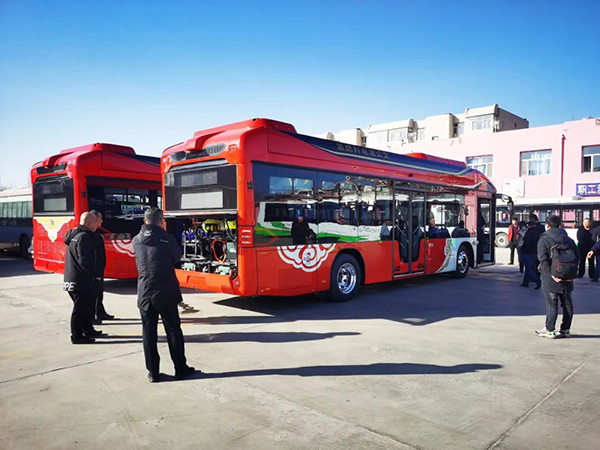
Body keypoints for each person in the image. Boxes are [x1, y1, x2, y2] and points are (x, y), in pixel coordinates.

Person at [133, 207, 196, 383]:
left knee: (148, 333)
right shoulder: (166, 239)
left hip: (145, 292)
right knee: (174, 331)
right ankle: (180, 368)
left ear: (145, 221)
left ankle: (153, 372)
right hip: (165, 291)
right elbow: (177, 256)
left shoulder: (136, 239)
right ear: (161, 221)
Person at [536, 215, 578, 338]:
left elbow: (543, 260)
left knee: (551, 304)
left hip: (551, 277)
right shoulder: (569, 239)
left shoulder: (544, 239)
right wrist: (571, 272)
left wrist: (550, 275)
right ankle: (565, 329)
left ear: (547, 226)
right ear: (560, 225)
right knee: (567, 303)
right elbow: (577, 256)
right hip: (567, 276)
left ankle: (549, 329)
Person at [64, 212, 102, 344]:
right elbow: (86, 261)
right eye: (95, 222)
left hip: (73, 277)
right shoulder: (84, 237)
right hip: (81, 280)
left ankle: (88, 329)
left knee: (85, 307)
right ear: (90, 223)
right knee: (80, 309)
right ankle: (77, 335)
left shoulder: (73, 234)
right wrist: (93, 276)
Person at [89, 211, 115, 324]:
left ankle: (100, 312)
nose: (102, 221)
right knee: (93, 293)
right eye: (100, 219)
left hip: (99, 269)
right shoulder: (89, 236)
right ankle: (93, 315)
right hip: (93, 270)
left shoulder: (97, 234)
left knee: (99, 291)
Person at [520, 221, 541, 289]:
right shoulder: (537, 232)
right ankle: (525, 282)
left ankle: (538, 281)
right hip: (535, 252)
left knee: (529, 269)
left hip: (528, 252)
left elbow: (527, 242)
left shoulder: (529, 232)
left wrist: (523, 249)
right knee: (528, 268)